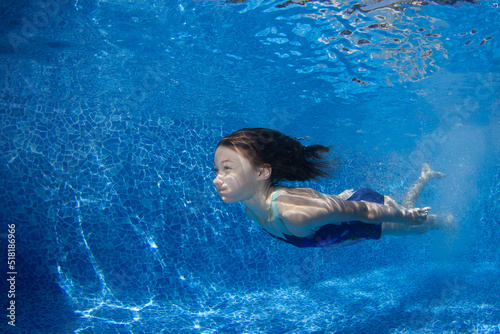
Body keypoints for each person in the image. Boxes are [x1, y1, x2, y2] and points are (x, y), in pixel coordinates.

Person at [213, 128, 453, 247]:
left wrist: (406, 217)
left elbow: (365, 212)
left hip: (366, 215)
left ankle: (447, 221)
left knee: (418, 225)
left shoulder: (294, 215)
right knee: (407, 211)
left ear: (262, 172)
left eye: (227, 168)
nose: (217, 179)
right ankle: (424, 177)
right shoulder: (251, 210)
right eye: (216, 170)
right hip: (344, 209)